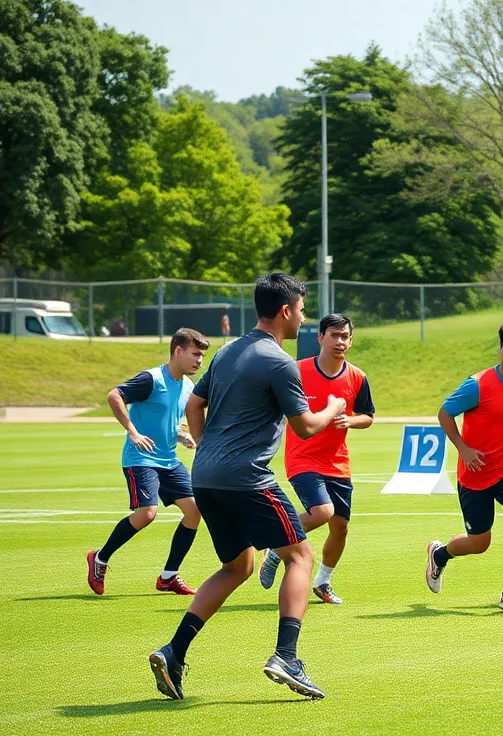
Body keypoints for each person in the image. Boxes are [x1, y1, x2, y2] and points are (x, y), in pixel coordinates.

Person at [148, 273, 344, 702]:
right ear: (286, 310)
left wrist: (207, 449)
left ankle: (174, 652)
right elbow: (306, 427)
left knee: (237, 567)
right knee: (300, 556)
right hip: (246, 476)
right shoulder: (279, 362)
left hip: (205, 476)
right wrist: (332, 406)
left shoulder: (227, 351)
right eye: (302, 310)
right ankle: (286, 656)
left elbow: (194, 404)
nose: (304, 318)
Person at [425, 322, 503, 611]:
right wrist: (463, 449)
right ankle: (440, 555)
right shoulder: (478, 384)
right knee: (479, 543)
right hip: (475, 472)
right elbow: (445, 413)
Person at [258, 313, 375, 605]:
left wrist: (351, 421)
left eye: (345, 336)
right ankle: (276, 545)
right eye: (334, 335)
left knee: (340, 527)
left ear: (351, 340)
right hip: (303, 458)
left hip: (338, 463)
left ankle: (323, 582)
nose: (340, 341)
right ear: (321, 337)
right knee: (322, 511)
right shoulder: (297, 371)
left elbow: (368, 416)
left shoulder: (357, 377)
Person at [87, 328, 210, 598]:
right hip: (141, 458)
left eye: (202, 356)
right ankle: (100, 558)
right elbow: (114, 396)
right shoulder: (151, 379)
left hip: (169, 460)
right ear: (178, 351)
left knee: (194, 512)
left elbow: (166, 419)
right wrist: (132, 431)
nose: (199, 361)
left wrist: (181, 436)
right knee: (147, 514)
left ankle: (168, 577)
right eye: (195, 354)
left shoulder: (188, 387)